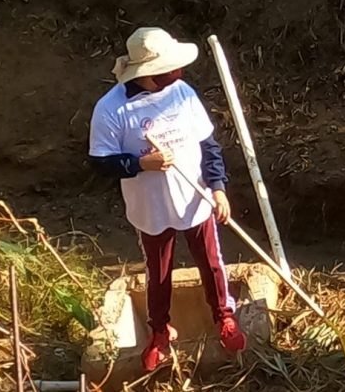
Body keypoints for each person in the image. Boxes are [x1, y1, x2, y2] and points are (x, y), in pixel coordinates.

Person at [86, 27, 245, 371]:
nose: (178, 74)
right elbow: (100, 163)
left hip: (195, 199)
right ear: (146, 74)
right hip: (151, 208)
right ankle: (159, 331)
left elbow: (209, 145)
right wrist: (142, 164)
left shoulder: (183, 93)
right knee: (159, 273)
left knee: (212, 263)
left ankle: (224, 316)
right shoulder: (111, 109)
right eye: (169, 71)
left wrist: (217, 187)